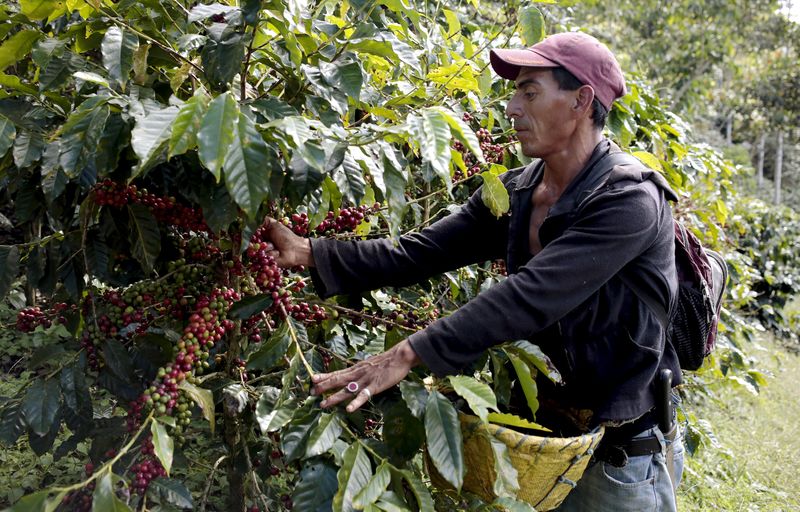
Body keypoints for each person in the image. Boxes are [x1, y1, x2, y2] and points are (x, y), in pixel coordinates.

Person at [263, 31, 684, 511]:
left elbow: (530, 296)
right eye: (514, 93)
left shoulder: (629, 200)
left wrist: (406, 354)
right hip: (548, 431)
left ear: (581, 101)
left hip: (622, 454)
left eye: (530, 92)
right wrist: (310, 252)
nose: (511, 108)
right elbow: (419, 252)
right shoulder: (518, 191)